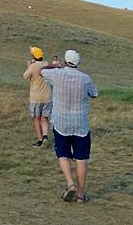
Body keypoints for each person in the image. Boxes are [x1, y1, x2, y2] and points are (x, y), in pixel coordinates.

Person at [40, 49, 98, 204]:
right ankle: (80, 195)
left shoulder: (57, 74)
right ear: (79, 63)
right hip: (80, 124)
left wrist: (54, 66)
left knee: (63, 154)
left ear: (65, 61)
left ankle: (70, 183)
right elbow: (94, 93)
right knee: (81, 158)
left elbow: (41, 71)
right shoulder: (85, 78)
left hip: (61, 122)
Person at [23, 47, 52, 148]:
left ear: (34, 56)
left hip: (36, 97)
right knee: (44, 118)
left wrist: (29, 65)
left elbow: (25, 76)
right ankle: (45, 137)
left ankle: (40, 141)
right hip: (47, 96)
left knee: (36, 119)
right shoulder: (46, 64)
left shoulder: (33, 66)